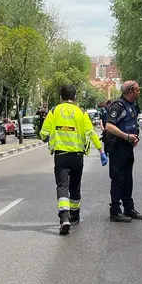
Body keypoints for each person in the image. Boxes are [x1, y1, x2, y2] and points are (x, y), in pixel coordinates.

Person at [39, 84, 107, 235]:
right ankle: (75, 216)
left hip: (61, 155)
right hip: (77, 156)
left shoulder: (54, 111)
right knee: (75, 186)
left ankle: (64, 218)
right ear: (75, 97)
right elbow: (91, 133)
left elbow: (43, 133)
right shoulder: (81, 112)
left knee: (62, 186)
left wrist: (47, 136)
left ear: (60, 96)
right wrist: (101, 151)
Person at [103, 81, 142, 223]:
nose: (139, 92)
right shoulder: (117, 106)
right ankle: (115, 210)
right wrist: (126, 137)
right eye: (137, 90)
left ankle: (129, 208)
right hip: (118, 148)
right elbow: (109, 126)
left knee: (128, 178)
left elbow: (132, 125)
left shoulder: (132, 106)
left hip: (128, 148)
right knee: (118, 179)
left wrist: (134, 137)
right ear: (131, 91)